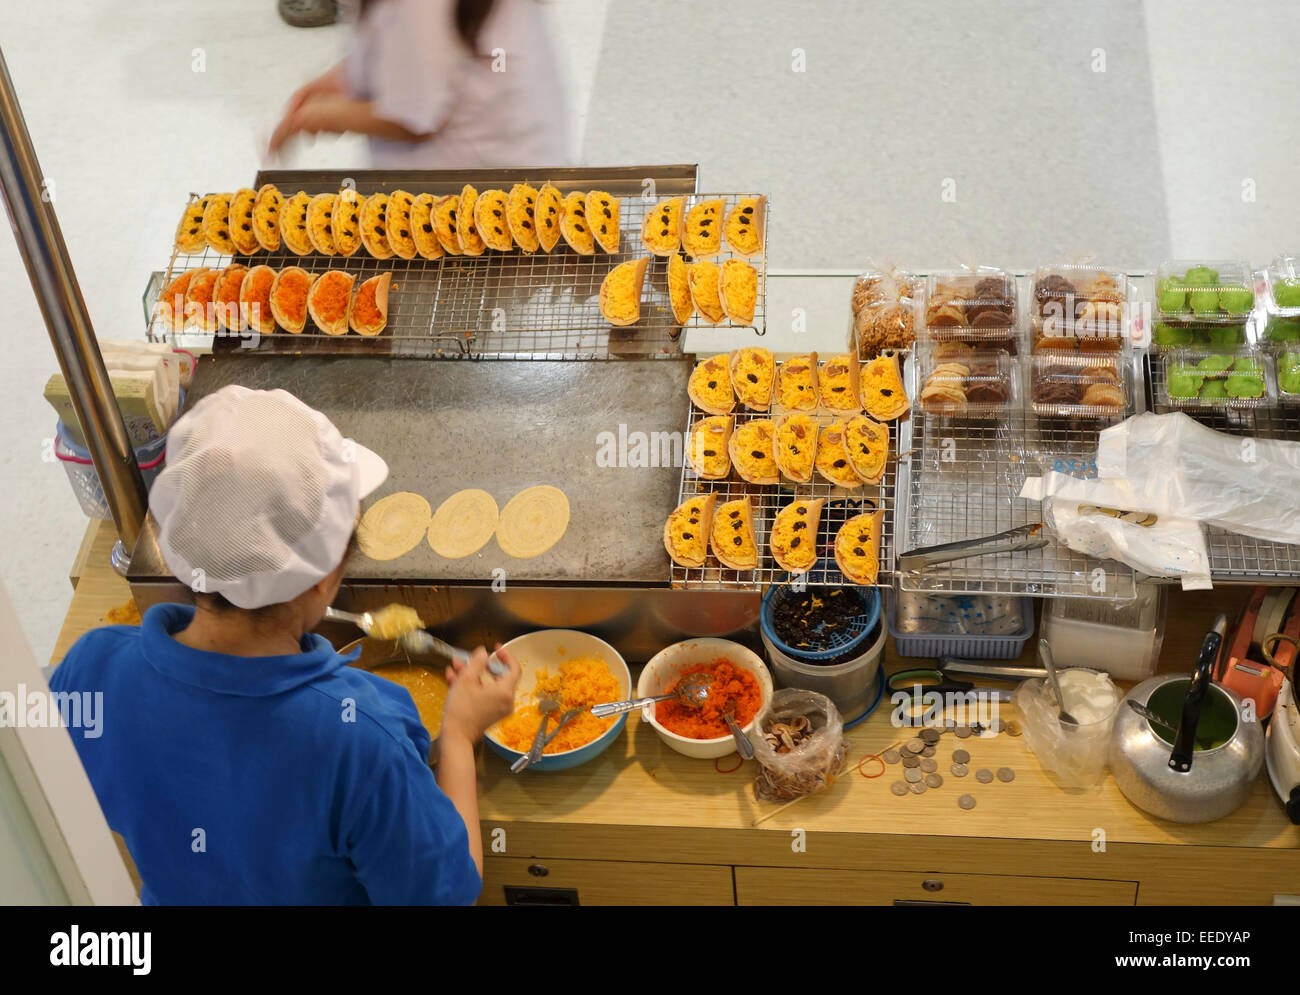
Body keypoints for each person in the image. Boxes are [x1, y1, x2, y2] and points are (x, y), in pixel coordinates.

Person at [49, 385, 520, 905]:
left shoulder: (90, 668)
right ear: (322, 579)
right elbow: (445, 895)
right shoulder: (364, 736)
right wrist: (458, 734)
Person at [269, 0, 569, 168]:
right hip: (512, 137)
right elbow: (425, 48)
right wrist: (349, 75)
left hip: (481, 171)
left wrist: (320, 115)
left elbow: (414, 122)